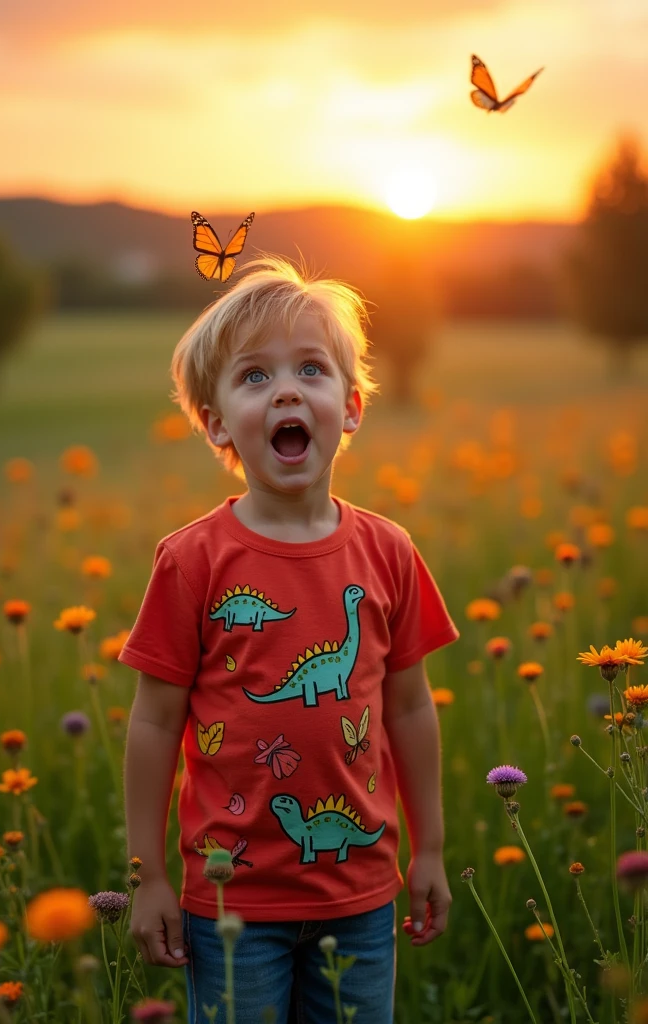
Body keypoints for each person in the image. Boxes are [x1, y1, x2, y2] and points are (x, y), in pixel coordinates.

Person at [120, 257, 460, 1024]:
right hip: (231, 901)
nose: (286, 390)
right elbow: (153, 722)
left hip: (362, 895)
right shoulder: (193, 560)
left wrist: (429, 849)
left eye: (311, 368)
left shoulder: (390, 553)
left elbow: (409, 708)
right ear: (215, 423)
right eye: (253, 377)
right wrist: (148, 876)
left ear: (351, 407)